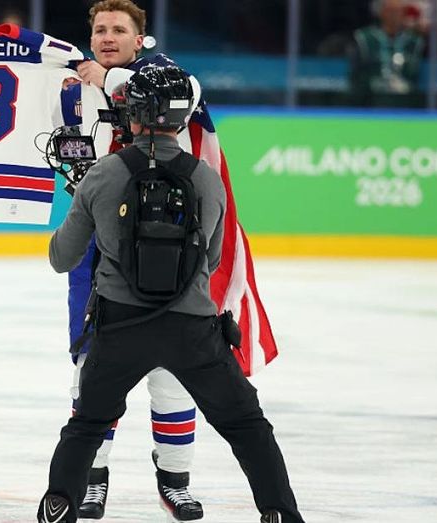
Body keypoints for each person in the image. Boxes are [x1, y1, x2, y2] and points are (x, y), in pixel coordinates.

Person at [36, 63, 304, 523]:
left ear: (131, 114)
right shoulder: (206, 178)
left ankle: (60, 503)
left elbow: (62, 257)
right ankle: (279, 513)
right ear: (183, 119)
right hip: (193, 331)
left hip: (119, 328)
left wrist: (80, 194)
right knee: (247, 426)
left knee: (86, 425)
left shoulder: (103, 174)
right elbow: (215, 260)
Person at [66, 1, 204, 519]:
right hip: (99, 245)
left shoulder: (166, 77)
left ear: (140, 37)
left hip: (167, 242)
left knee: (172, 367)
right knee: (91, 368)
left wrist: (109, 78)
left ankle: (175, 478)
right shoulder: (75, 87)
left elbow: (187, 91)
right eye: (99, 29)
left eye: (118, 29)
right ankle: (93, 476)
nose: (106, 36)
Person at [348, 0, 425, 107]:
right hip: (371, 101)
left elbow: (416, 75)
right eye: (391, 11)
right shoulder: (364, 39)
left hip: (406, 102)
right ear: (381, 13)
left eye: (399, 11)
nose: (395, 16)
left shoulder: (414, 41)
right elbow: (357, 74)